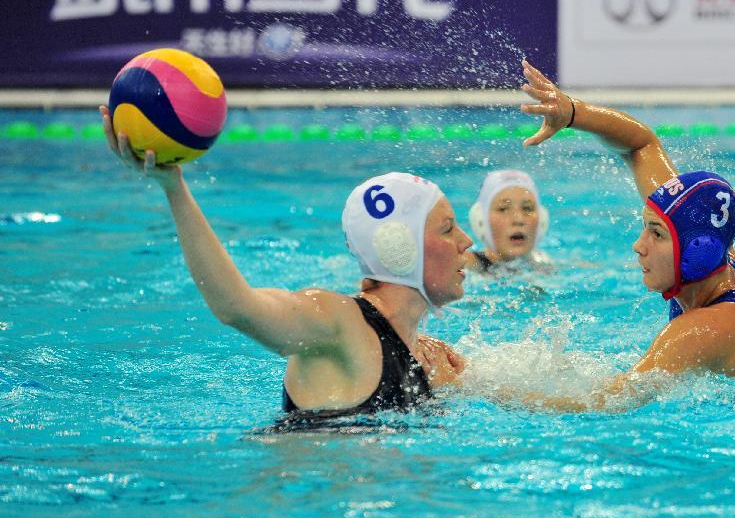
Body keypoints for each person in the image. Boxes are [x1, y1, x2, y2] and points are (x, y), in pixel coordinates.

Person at [99, 106, 469, 424]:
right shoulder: (337, 324)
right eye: (448, 228)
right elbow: (236, 308)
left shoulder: (430, 358)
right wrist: (173, 188)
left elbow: (521, 396)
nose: (466, 242)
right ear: (397, 246)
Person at [506, 61, 735, 411]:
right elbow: (641, 145)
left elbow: (602, 405)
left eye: (656, 234)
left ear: (697, 253)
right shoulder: (715, 259)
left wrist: (475, 388)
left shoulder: (706, 329)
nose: (638, 246)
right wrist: (572, 114)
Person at [465, 169, 552, 273]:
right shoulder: (465, 266)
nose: (518, 219)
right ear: (481, 220)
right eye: (503, 209)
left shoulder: (544, 265)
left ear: (542, 219)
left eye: (527, 208)